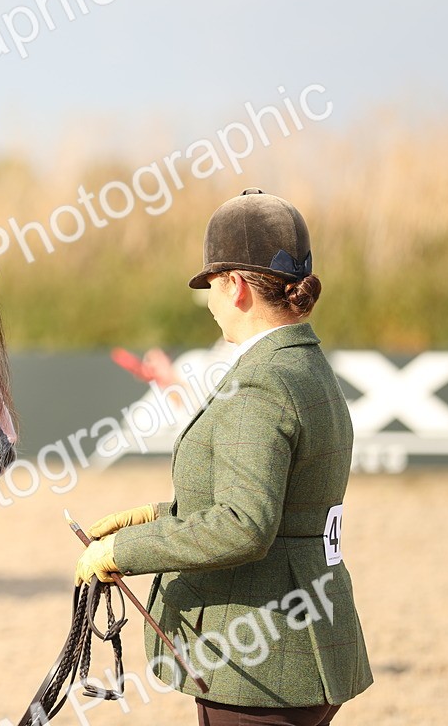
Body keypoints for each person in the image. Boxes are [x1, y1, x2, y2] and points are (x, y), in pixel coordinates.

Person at [75, 188, 372, 726]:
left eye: (210, 285)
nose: (209, 300)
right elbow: (282, 510)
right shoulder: (304, 363)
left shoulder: (261, 383)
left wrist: (126, 550)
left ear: (235, 287)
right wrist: (158, 517)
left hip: (259, 663)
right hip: (306, 642)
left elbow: (244, 527)